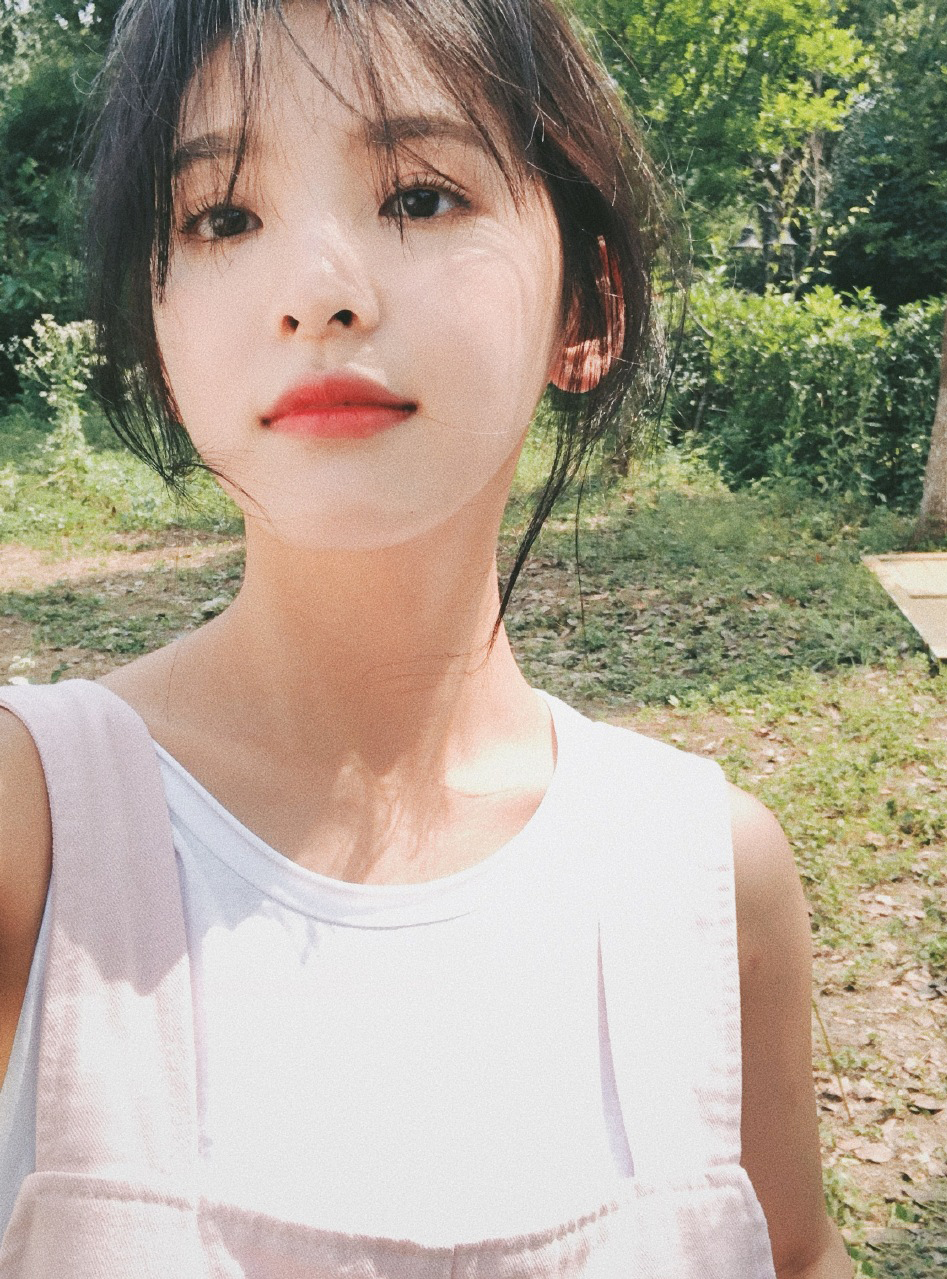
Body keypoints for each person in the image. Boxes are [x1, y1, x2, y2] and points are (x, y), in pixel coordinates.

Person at [0, 1, 854, 1275]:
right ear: (159, 322)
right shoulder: (35, 829)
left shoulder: (709, 876)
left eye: (420, 195)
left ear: (588, 308)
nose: (318, 294)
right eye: (221, 218)